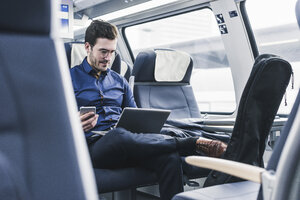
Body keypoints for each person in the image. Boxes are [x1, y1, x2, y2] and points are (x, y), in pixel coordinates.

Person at [70, 19, 227, 200]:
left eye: (112, 52)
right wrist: (71, 124)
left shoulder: (119, 80)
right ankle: (191, 144)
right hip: (93, 147)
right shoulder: (67, 79)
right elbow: (50, 125)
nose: (108, 58)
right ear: (88, 47)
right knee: (117, 135)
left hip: (127, 142)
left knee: (169, 158)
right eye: (103, 51)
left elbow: (135, 116)